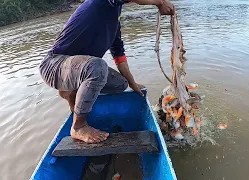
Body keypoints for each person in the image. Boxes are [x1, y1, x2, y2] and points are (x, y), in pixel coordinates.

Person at [39, 0, 175, 144]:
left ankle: (70, 91)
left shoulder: (114, 21)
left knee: (121, 84)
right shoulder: (99, 2)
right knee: (97, 67)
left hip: (77, 70)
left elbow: (119, 57)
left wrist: (132, 83)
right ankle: (78, 126)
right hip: (54, 65)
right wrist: (160, 2)